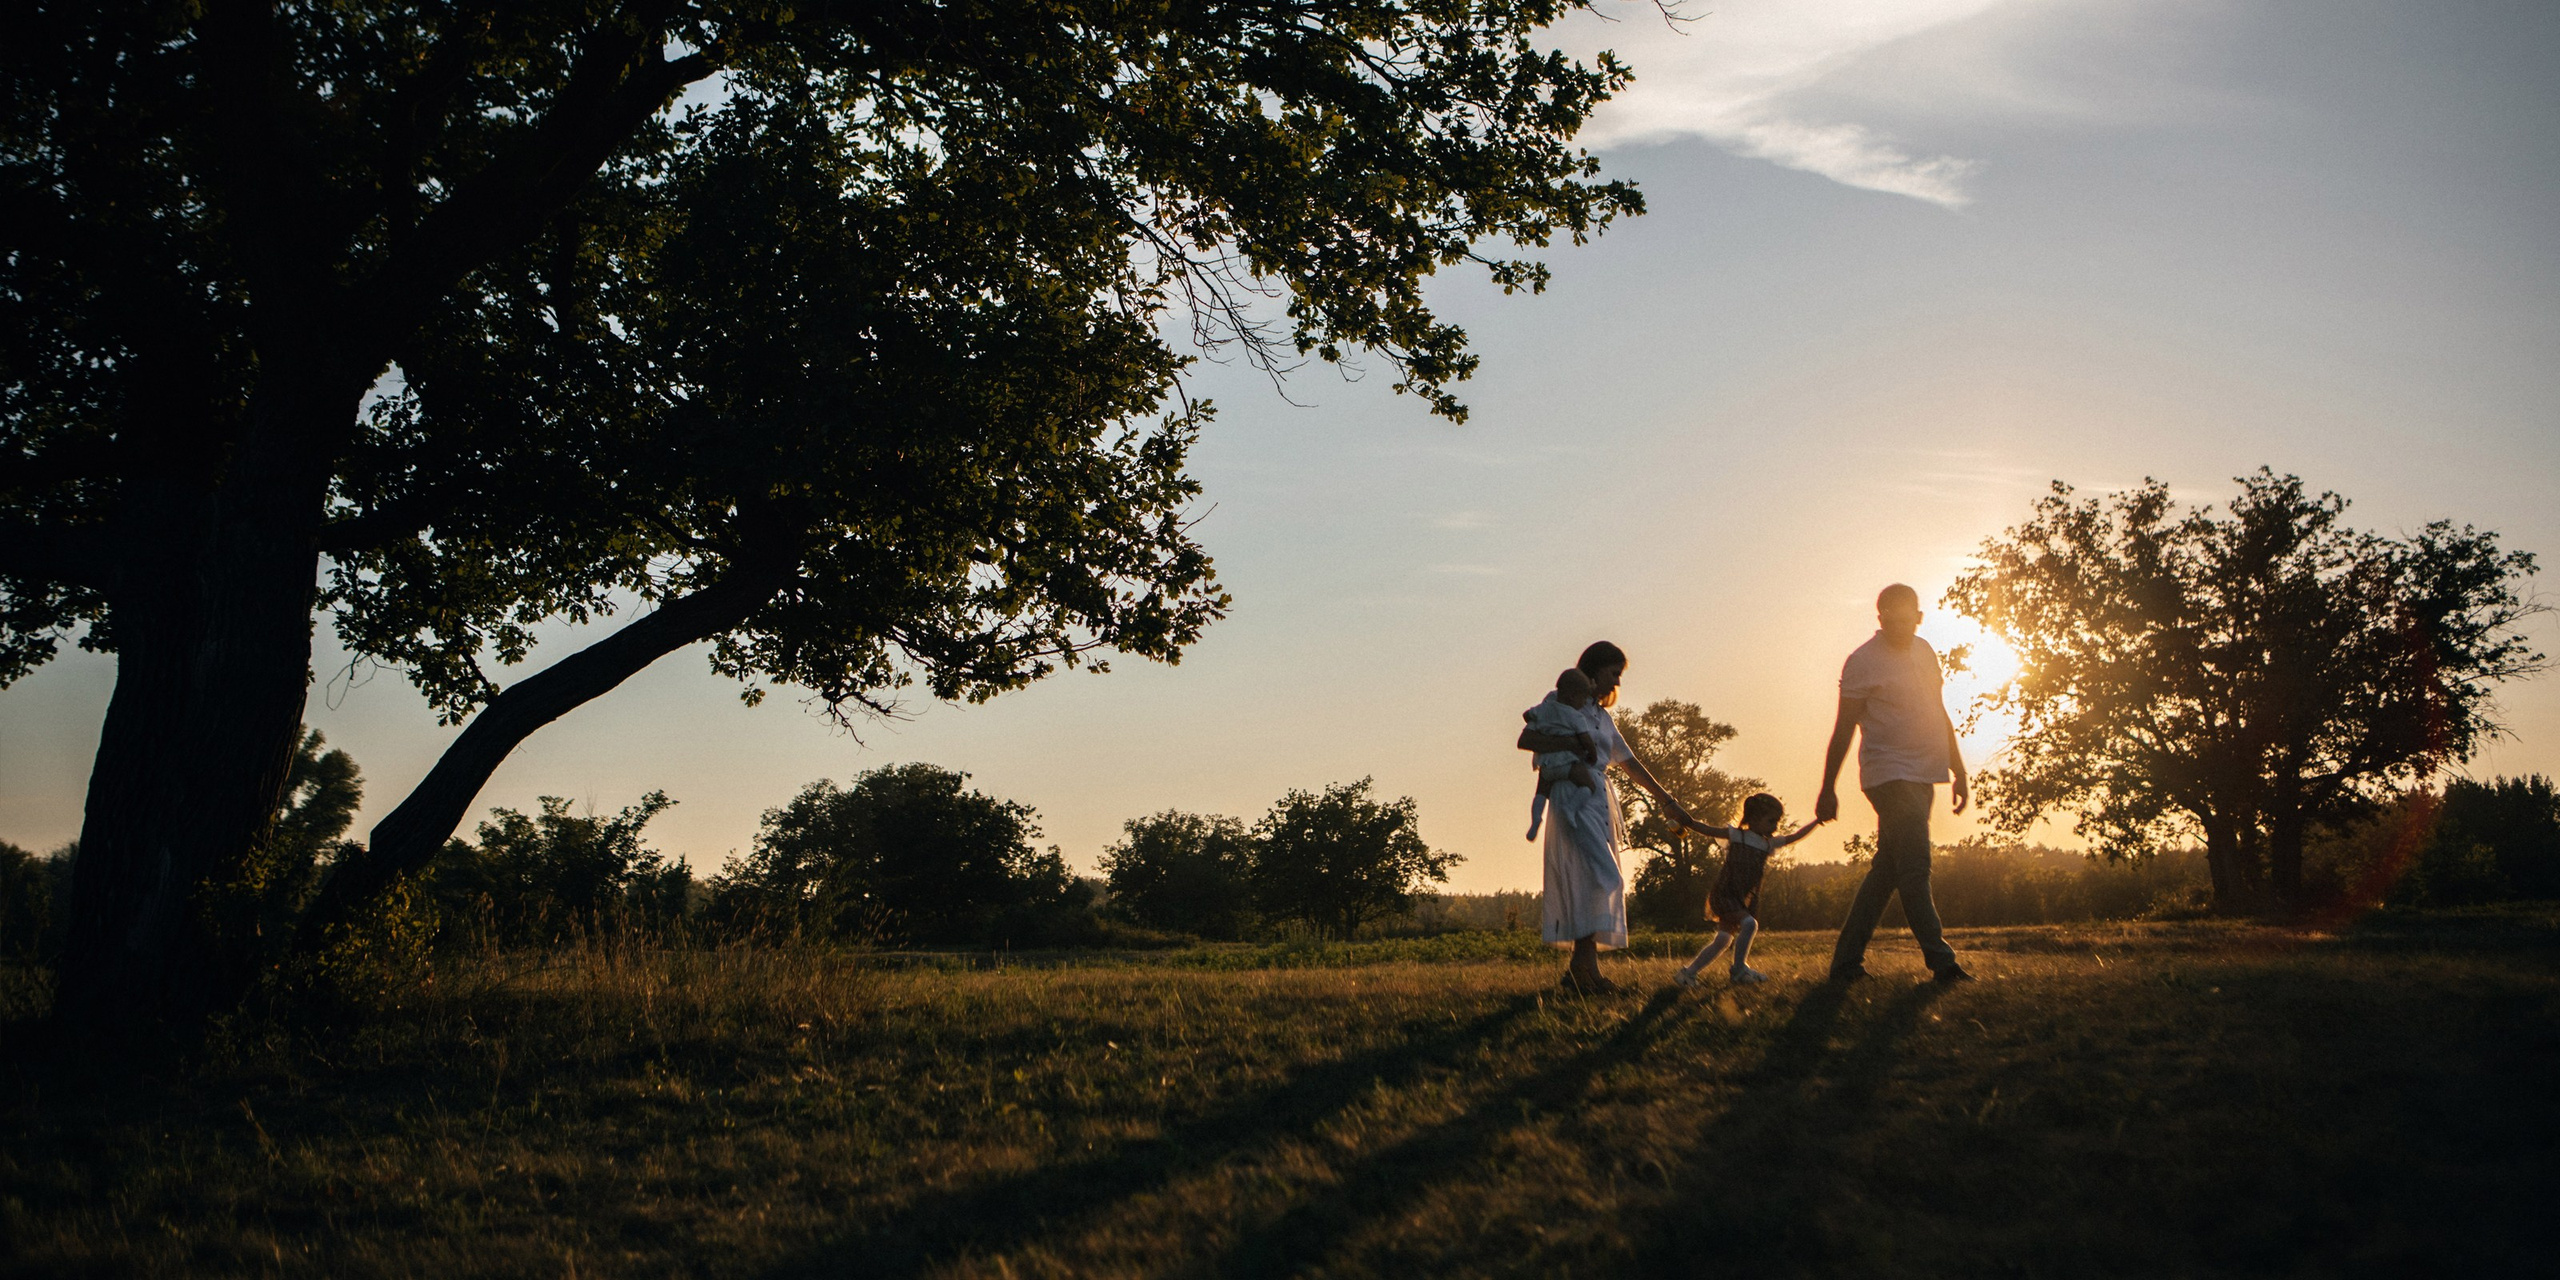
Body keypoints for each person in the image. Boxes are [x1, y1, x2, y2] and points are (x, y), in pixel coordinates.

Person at [1516, 641, 1703, 993]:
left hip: (1598, 798)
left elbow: (1629, 763)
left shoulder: (1603, 718)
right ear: (1594, 669)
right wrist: (1574, 746)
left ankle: (1583, 971)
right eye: (1613, 673)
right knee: (1602, 877)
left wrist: (1666, 801)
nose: (1617, 682)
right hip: (1571, 794)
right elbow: (1528, 739)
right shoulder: (1560, 703)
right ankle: (1582, 971)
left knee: (1594, 880)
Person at [1815, 584, 1977, 983]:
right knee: (1916, 867)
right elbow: (1843, 728)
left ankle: (1846, 963)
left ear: (1919, 618)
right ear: (1880, 617)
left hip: (1925, 772)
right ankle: (1942, 962)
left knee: (1887, 870)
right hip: (1888, 773)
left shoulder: (1925, 651)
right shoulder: (1862, 662)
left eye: (1908, 620)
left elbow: (1938, 712)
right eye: (1892, 620)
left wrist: (1958, 769)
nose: (1901, 627)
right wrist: (1827, 787)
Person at [1671, 793, 1823, 988]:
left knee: (1723, 939)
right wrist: (1687, 821)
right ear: (1754, 818)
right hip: (1725, 893)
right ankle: (1739, 970)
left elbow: (1795, 837)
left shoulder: (1768, 843)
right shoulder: (1738, 835)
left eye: (1777, 821)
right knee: (1750, 924)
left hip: (1740, 898)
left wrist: (1817, 821)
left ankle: (1688, 974)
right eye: (1771, 821)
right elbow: (1707, 829)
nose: (1775, 827)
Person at [1522, 668, 1601, 840]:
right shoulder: (1575, 716)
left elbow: (1526, 715)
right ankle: (1570, 808)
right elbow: (1585, 739)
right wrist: (1593, 755)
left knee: (1541, 792)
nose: (1584, 703)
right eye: (1583, 698)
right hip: (1567, 763)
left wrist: (1541, 719)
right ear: (1572, 696)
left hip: (1546, 764)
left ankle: (1536, 820)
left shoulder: (1543, 709)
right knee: (1589, 785)